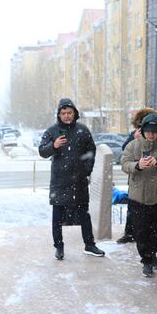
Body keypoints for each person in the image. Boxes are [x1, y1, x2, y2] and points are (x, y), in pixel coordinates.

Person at [39, 98, 105, 260]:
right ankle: (59, 247)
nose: (67, 116)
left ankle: (89, 244)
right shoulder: (52, 131)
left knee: (84, 214)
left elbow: (91, 150)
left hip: (79, 181)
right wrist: (53, 146)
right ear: (59, 115)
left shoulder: (83, 130)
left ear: (75, 113)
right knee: (57, 215)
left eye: (69, 112)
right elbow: (42, 151)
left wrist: (86, 170)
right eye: (63, 113)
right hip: (59, 182)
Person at [121, 113, 157, 277]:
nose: (151, 134)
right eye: (148, 131)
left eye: (155, 131)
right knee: (141, 232)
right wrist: (137, 165)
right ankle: (146, 260)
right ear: (143, 131)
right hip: (138, 198)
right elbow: (124, 164)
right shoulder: (133, 145)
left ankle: (152, 252)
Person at [117, 107, 157, 244]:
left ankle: (149, 234)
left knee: (152, 207)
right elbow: (124, 149)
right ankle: (129, 233)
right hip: (136, 174)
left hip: (153, 177)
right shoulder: (135, 134)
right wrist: (133, 138)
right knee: (133, 205)